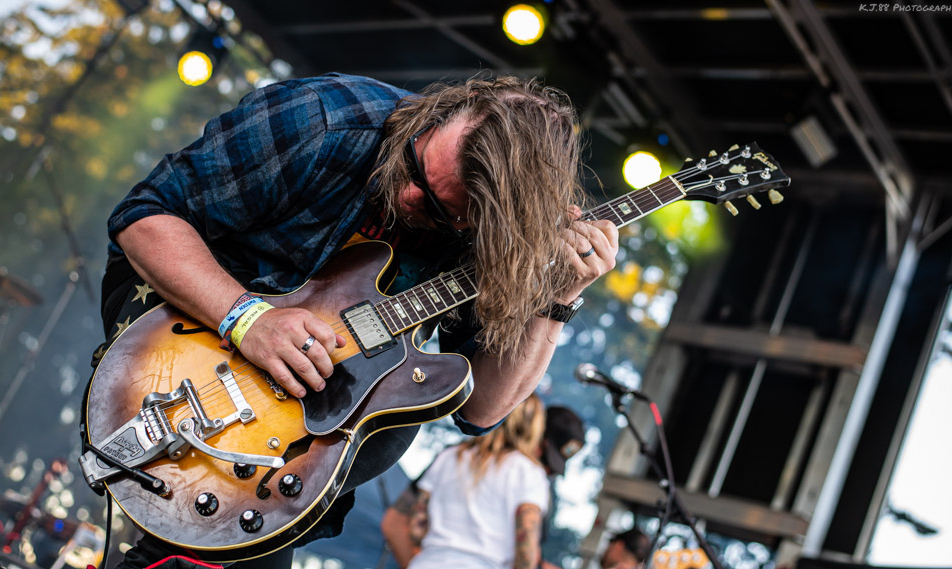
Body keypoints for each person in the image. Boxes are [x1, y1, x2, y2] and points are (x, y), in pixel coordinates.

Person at [86, 72, 619, 568]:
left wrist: (559, 300)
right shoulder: (325, 119)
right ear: (444, 112)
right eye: (415, 167)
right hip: (188, 330)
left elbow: (479, 409)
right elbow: (143, 216)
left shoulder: (487, 243)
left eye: (440, 211)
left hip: (296, 435)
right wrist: (247, 318)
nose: (411, 195)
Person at [380, 404, 586, 567]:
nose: (547, 469)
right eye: (545, 456)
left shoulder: (450, 456)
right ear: (535, 431)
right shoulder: (531, 473)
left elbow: (407, 525)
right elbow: (526, 557)